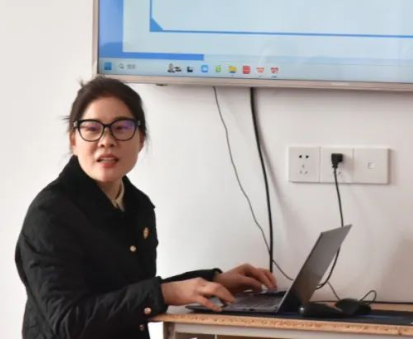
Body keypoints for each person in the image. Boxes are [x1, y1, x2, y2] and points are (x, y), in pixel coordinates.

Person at [15, 76, 276, 338]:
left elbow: (128, 293)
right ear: (73, 140)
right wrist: (164, 293)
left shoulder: (137, 205)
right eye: (92, 129)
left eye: (121, 127)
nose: (107, 140)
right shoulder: (50, 214)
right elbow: (68, 321)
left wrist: (214, 281)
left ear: (141, 139)